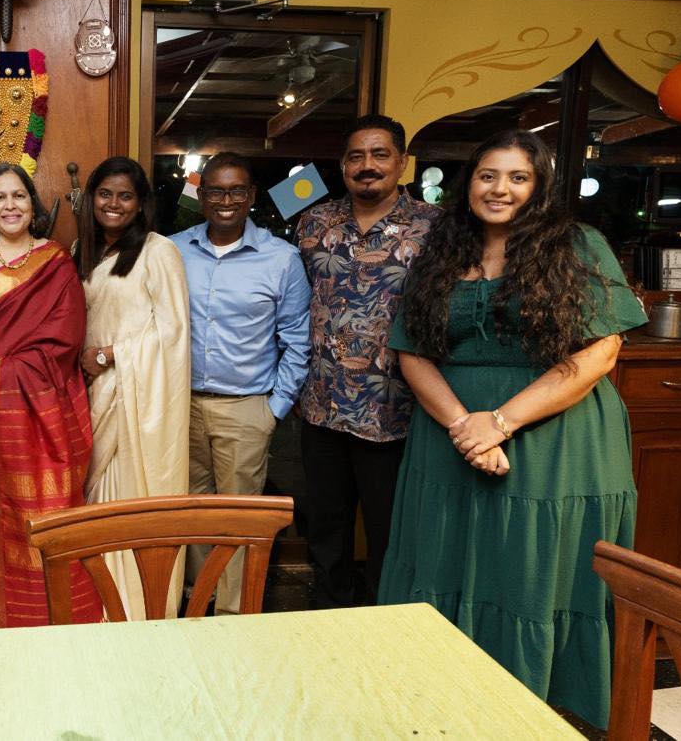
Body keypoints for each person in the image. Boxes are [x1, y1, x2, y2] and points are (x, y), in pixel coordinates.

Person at [377, 130, 647, 729]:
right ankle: (444, 706)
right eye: (488, 175)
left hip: (554, 441)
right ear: (468, 183)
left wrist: (501, 422)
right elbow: (412, 352)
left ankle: (532, 713)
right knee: (443, 561)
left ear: (540, 187)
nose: (500, 189)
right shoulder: (443, 250)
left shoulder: (577, 245)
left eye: (518, 178)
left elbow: (601, 352)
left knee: (530, 571)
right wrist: (465, 428)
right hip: (449, 437)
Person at [0, 162, 103, 628]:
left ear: (33, 206)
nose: (10, 205)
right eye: (0, 197)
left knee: (45, 520)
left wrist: (3, 383)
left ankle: (50, 623)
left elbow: (64, 344)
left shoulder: (55, 262)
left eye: (19, 196)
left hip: (43, 418)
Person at [294, 115, 440, 608]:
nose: (367, 165)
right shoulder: (314, 223)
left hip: (397, 410)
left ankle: (384, 622)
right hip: (322, 405)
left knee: (390, 531)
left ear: (402, 162)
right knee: (326, 528)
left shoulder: (434, 227)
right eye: (356, 156)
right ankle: (328, 616)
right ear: (342, 165)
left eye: (380, 154)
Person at [169, 152, 311, 615]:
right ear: (201, 195)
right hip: (183, 406)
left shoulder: (281, 259)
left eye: (236, 191)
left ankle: (233, 616)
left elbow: (297, 340)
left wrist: (274, 408)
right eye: (215, 191)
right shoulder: (173, 251)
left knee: (238, 517)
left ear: (250, 195)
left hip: (246, 408)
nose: (225, 201)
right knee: (191, 512)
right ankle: (196, 605)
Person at [75, 157, 190, 620]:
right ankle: (96, 607)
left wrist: (109, 356)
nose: (114, 204)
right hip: (91, 399)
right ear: (92, 198)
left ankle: (137, 610)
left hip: (137, 402)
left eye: (125, 196)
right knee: (94, 503)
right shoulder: (82, 250)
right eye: (105, 194)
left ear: (141, 203)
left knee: (127, 501)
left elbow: (173, 332)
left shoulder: (159, 252)